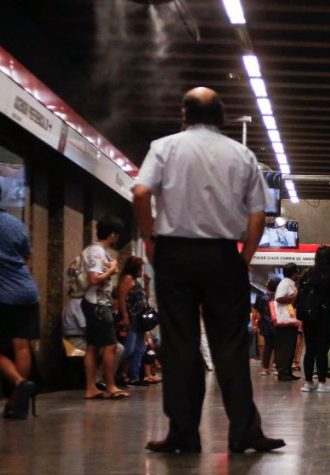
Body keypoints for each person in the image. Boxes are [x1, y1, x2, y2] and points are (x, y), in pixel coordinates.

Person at [132, 86, 284, 453]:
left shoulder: (164, 147)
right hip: (222, 256)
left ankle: (183, 433)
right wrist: (243, 256)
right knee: (230, 345)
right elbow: (258, 213)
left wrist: (150, 239)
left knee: (181, 344)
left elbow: (140, 193)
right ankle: (244, 432)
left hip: (174, 254)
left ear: (184, 115)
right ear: (222, 117)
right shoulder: (241, 154)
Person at [83, 217, 130, 400]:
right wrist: (111, 270)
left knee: (92, 347)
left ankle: (91, 388)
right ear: (112, 234)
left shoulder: (98, 250)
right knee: (110, 346)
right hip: (98, 304)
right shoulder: (96, 252)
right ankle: (110, 386)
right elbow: (94, 278)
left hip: (95, 302)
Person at [0, 206, 38, 419]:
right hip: (27, 291)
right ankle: (18, 402)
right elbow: (26, 256)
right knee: (21, 346)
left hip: (4, 295)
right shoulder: (15, 224)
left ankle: (19, 383)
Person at [299, 246, 330, 392]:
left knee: (309, 348)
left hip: (309, 316)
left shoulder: (307, 273)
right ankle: (322, 383)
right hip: (324, 316)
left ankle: (308, 382)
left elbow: (301, 296)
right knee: (322, 349)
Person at [116, 256, 149, 387]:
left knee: (139, 348)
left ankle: (134, 376)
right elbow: (122, 298)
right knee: (129, 348)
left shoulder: (136, 281)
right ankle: (113, 369)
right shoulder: (127, 279)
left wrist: (146, 284)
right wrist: (125, 316)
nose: (142, 270)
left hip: (140, 319)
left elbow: (144, 298)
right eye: (140, 267)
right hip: (132, 317)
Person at [273, 263, 302, 381]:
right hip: (284, 321)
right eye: (297, 272)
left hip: (289, 319)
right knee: (285, 346)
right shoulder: (285, 284)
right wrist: (294, 297)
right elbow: (279, 298)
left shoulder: (289, 283)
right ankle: (283, 372)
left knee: (290, 346)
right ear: (293, 273)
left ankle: (287, 371)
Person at [256, 278, 279, 375]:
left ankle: (265, 368)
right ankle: (276, 367)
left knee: (268, 346)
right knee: (278, 346)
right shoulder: (280, 297)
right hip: (278, 323)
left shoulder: (261, 297)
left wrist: (255, 324)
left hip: (265, 324)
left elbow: (257, 312)